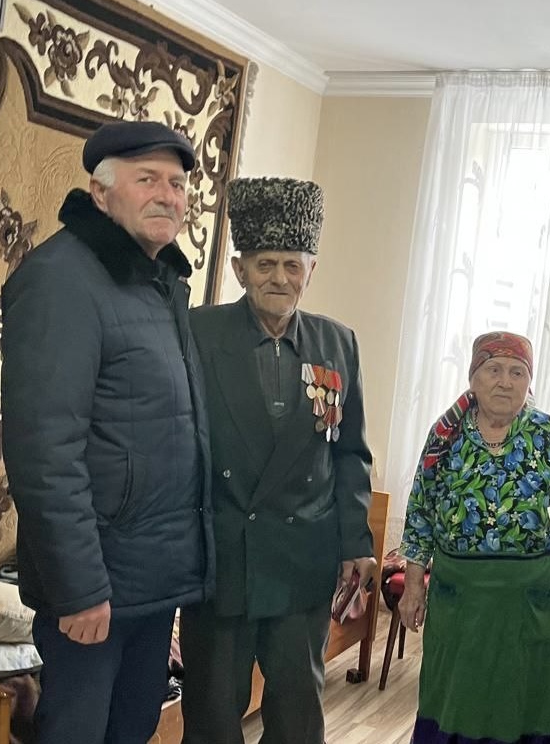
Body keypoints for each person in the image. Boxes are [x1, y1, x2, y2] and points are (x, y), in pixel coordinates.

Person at [1, 121, 213, 744]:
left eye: (177, 184)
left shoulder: (160, 281)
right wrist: (80, 589)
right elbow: (45, 452)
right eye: (148, 179)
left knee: (133, 727)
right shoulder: (60, 279)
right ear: (100, 192)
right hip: (96, 588)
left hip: (152, 581)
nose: (168, 195)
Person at [179, 177, 376, 744]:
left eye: (293, 265)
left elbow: (351, 452)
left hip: (302, 557)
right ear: (240, 269)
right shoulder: (198, 332)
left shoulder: (338, 343)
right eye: (266, 264)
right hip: (222, 556)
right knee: (212, 713)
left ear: (311, 270)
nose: (280, 278)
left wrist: (356, 542)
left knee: (296, 715)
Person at [398, 332, 550, 744]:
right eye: (494, 369)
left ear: (529, 381)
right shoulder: (445, 437)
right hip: (459, 604)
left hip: (530, 603)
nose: (505, 381)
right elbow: (421, 512)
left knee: (522, 702)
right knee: (452, 697)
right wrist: (412, 586)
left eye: (517, 372)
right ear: (473, 377)